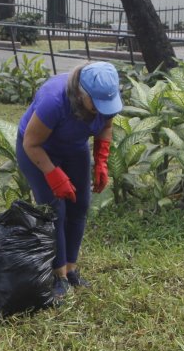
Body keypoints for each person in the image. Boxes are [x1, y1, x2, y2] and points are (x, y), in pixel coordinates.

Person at [17, 61, 122, 300]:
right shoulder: (54, 101)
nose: (102, 109)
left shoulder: (106, 96)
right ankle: (58, 275)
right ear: (81, 95)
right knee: (56, 210)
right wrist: (54, 175)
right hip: (38, 150)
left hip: (74, 148)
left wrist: (101, 159)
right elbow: (31, 144)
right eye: (96, 104)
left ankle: (71, 269)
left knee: (80, 205)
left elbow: (106, 125)